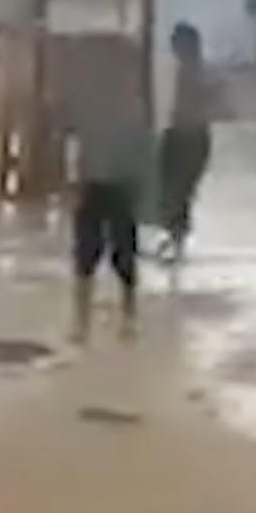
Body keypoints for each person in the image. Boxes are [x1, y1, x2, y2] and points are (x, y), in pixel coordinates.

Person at [64, 61, 152, 343]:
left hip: (116, 186)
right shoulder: (115, 109)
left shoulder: (128, 110)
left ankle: (120, 319)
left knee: (118, 255)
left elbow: (141, 150)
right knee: (89, 255)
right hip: (100, 186)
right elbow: (75, 146)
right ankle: (87, 322)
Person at [155, 21, 226, 264]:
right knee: (175, 191)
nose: (174, 48)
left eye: (177, 44)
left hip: (190, 137)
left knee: (178, 191)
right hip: (184, 136)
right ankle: (175, 241)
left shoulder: (196, 72)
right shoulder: (186, 70)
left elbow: (213, 104)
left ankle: (176, 242)